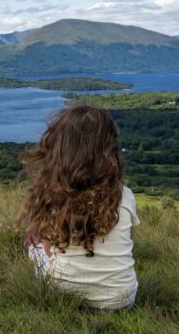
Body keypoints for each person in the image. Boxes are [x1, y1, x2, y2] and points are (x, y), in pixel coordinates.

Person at [17, 105, 140, 310]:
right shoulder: (124, 195)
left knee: (34, 242)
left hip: (62, 294)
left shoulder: (53, 195)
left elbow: (49, 250)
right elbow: (130, 242)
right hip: (121, 300)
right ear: (109, 150)